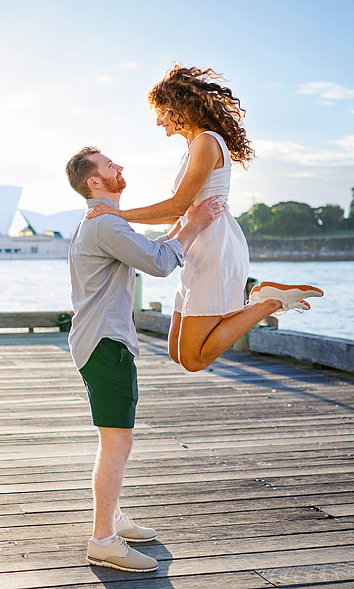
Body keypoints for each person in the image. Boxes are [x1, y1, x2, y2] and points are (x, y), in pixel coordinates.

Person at [87, 66, 323, 372]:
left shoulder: (207, 142)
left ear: (180, 107)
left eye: (162, 112)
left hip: (215, 248)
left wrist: (118, 214)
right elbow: (180, 212)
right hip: (197, 249)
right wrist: (155, 242)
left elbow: (180, 203)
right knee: (176, 351)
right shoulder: (194, 146)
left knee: (194, 359)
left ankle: (270, 302)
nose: (159, 121)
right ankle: (262, 297)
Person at [66, 146, 226, 572]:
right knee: (116, 441)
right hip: (104, 343)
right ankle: (102, 539)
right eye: (109, 165)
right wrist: (190, 225)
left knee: (118, 439)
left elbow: (147, 248)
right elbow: (159, 262)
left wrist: (181, 226)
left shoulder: (105, 224)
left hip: (102, 341)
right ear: (94, 182)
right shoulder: (104, 225)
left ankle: (112, 516)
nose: (120, 167)